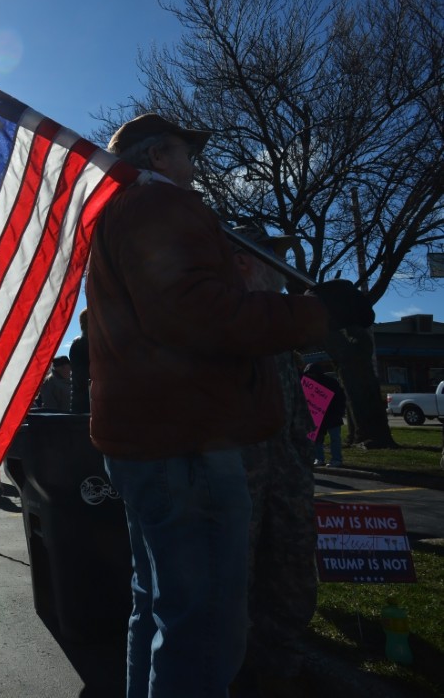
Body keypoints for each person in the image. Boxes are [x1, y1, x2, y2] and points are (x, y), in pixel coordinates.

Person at [86, 112, 373, 697]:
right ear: (160, 157)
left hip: (153, 444)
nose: (195, 167)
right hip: (189, 446)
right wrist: (317, 313)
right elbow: (197, 315)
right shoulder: (160, 206)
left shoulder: (121, 217)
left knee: (162, 612)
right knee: (206, 631)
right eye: (188, 155)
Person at [229, 225, 320, 694]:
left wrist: (303, 460)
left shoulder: (279, 325)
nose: (284, 272)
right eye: (274, 258)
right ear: (245, 262)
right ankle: (237, 663)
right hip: (239, 473)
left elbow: (297, 409)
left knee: (292, 561)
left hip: (286, 471)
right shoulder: (226, 318)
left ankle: (283, 658)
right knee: (235, 569)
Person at [304, 363, 347, 467]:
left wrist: (339, 412)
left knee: (334, 438)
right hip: (318, 416)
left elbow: (340, 399)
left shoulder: (331, 383)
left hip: (332, 415)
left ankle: (335, 459)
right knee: (317, 438)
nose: (311, 376)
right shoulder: (309, 384)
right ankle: (320, 458)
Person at [69, 309, 90, 414]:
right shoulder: (81, 344)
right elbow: (83, 377)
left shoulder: (82, 343)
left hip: (84, 402)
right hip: (86, 404)